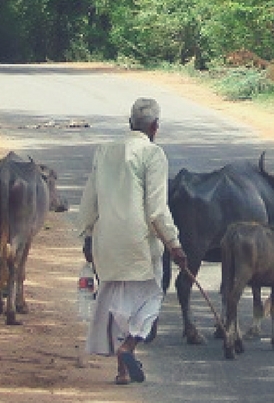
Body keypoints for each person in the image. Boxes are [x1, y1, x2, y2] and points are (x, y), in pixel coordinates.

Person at [78, 97, 187, 385]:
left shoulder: (103, 151)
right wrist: (174, 244)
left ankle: (122, 371)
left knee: (115, 300)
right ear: (155, 127)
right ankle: (129, 347)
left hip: (105, 240)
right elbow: (156, 210)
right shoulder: (153, 154)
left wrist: (87, 235)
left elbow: (90, 199)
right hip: (138, 243)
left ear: (130, 124)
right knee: (151, 297)